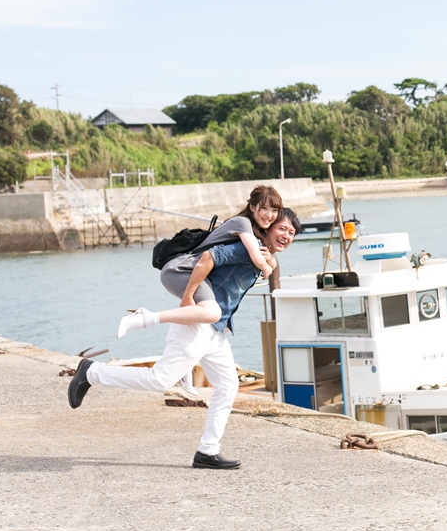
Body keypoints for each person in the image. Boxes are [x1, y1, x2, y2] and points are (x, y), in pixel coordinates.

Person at [67, 208, 300, 470]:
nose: (286, 236)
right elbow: (207, 258)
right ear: (268, 227)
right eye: (282, 228)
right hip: (199, 325)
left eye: (291, 233)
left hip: (216, 329)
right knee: (159, 380)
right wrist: (188, 297)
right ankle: (92, 373)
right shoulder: (247, 248)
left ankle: (207, 452)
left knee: (228, 385)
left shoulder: (262, 255)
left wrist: (268, 266)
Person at [117, 184, 282, 397]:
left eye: (274, 211)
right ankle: (145, 317)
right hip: (183, 269)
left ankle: (186, 377)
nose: (270, 215)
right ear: (252, 207)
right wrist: (269, 267)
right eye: (265, 208)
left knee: (199, 313)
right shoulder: (242, 223)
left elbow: (262, 257)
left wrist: (271, 260)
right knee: (211, 312)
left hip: (195, 273)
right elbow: (257, 257)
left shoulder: (252, 230)